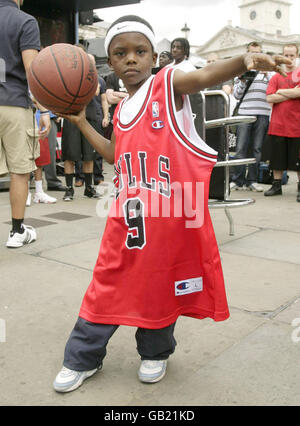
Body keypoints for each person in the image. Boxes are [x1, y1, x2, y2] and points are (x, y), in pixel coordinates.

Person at [52, 15, 290, 393]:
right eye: (121, 53)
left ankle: (155, 352)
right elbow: (116, 153)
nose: (131, 59)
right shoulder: (124, 111)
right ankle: (82, 357)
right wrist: (82, 123)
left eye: (139, 51)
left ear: (154, 57)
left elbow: (202, 76)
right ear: (110, 64)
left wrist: (243, 61)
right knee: (107, 283)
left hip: (171, 220)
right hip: (127, 221)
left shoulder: (168, 85)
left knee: (160, 286)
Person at [0, 0, 51, 248]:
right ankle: (17, 231)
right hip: (14, 103)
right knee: (19, 171)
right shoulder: (24, 20)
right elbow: (32, 70)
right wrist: (44, 110)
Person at [230, 42, 274, 192]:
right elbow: (236, 95)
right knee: (240, 147)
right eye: (252, 53)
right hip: (245, 111)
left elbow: (273, 92)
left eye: (258, 53)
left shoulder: (270, 72)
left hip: (263, 112)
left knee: (257, 148)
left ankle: (252, 180)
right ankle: (237, 180)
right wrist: (242, 81)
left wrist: (267, 75)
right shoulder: (240, 71)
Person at [61, 51, 100, 201]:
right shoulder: (69, 76)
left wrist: (91, 72)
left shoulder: (94, 78)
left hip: (89, 118)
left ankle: (89, 188)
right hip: (72, 117)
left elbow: (95, 92)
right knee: (69, 156)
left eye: (92, 63)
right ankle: (69, 189)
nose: (90, 64)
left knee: (89, 156)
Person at [264, 44, 300, 202]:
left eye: (292, 55)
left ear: (297, 55)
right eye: (286, 55)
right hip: (278, 124)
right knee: (277, 159)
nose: (289, 58)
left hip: (297, 125)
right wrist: (292, 93)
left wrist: (280, 92)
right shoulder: (276, 76)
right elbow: (269, 98)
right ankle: (276, 185)